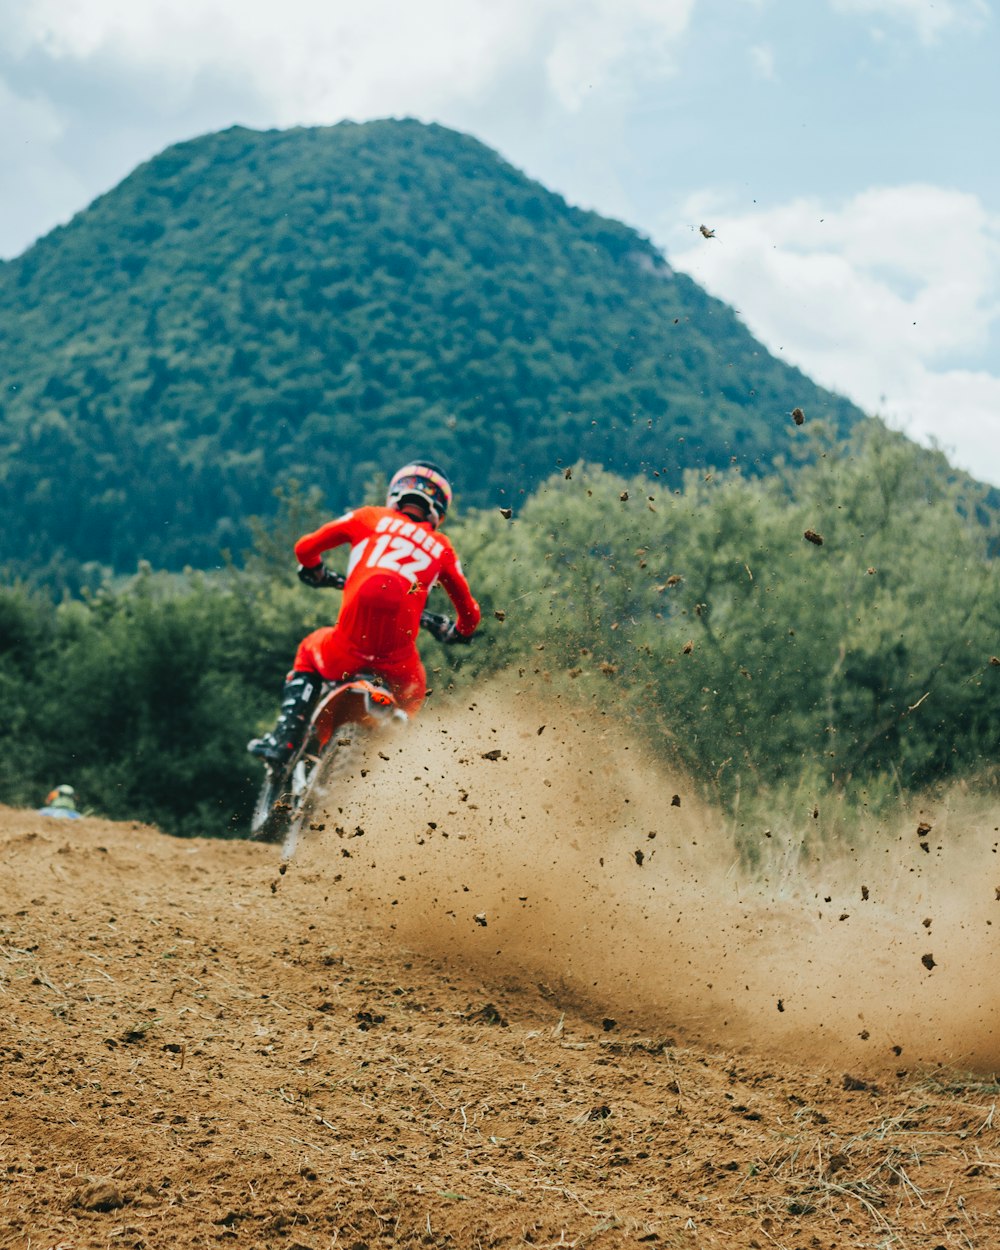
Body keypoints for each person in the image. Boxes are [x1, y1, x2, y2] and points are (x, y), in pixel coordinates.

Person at [248, 460, 480, 764]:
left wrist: (316, 570)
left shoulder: (369, 517)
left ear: (396, 493)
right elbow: (471, 616)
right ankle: (389, 769)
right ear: (438, 508)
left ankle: (285, 741)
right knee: (413, 696)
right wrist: (457, 632)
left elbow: (304, 549)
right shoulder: (441, 548)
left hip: (346, 648)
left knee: (308, 650)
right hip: (396, 665)